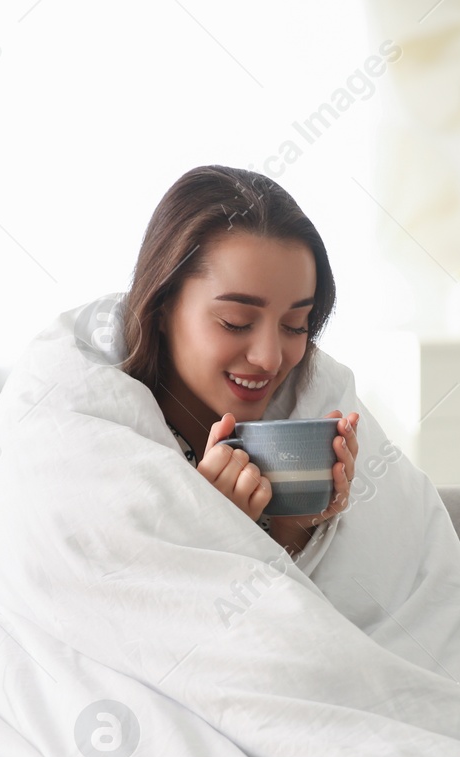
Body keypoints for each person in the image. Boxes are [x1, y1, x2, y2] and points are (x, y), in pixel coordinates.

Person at [117, 164, 361, 559]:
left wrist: (294, 528)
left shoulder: (303, 408)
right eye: (236, 322)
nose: (269, 359)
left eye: (296, 326)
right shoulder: (116, 452)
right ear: (162, 307)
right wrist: (213, 537)